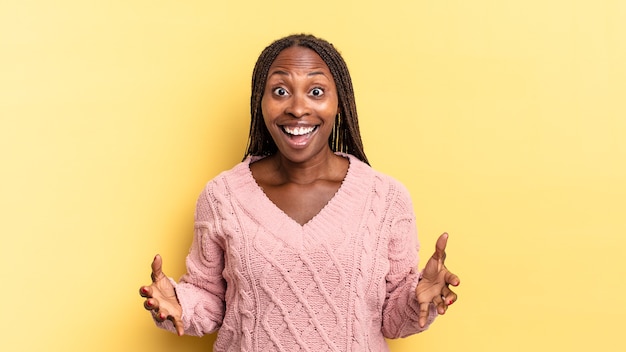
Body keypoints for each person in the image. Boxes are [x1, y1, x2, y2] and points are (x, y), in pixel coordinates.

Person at [139, 33, 460, 351]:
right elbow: (209, 300)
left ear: (339, 103)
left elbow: (391, 319)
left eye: (316, 91)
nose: (297, 107)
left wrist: (420, 297)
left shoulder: (387, 199)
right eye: (280, 91)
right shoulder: (222, 197)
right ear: (259, 103)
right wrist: (180, 305)